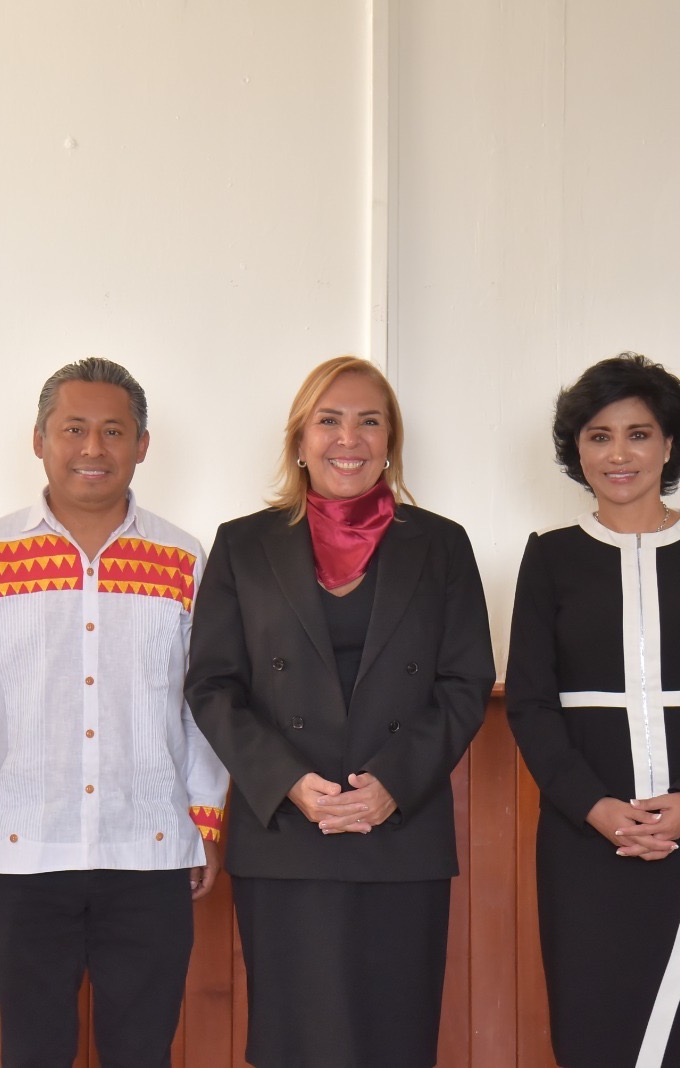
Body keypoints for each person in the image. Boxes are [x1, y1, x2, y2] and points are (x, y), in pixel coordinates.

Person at [185, 355, 495, 1068]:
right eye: (329, 420)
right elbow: (212, 684)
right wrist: (290, 783)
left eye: (369, 421)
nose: (348, 438)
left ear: (391, 441)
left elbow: (465, 680)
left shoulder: (441, 544)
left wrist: (392, 784)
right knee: (295, 1041)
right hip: (288, 833)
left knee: (396, 1039)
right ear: (300, 439)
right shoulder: (243, 543)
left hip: (401, 831)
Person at [0, 357, 227, 1067]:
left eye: (114, 431)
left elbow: (204, 704)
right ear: (39, 440)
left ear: (142, 445)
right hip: (22, 854)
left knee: (142, 1052)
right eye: (73, 429)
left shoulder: (183, 558)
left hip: (150, 850)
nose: (93, 448)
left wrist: (205, 821)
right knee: (33, 1051)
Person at [505, 353, 680, 1067]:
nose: (618, 454)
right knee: (595, 1021)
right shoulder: (551, 557)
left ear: (669, 444)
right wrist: (594, 807)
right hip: (585, 832)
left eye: (638, 433)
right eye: (599, 436)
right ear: (577, 450)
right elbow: (530, 704)